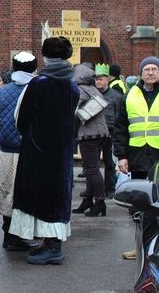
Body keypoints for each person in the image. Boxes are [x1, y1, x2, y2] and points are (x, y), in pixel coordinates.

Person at [9, 36, 79, 265]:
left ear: (45, 57)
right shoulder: (72, 86)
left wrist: (30, 135)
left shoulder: (38, 84)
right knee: (57, 196)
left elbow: (21, 117)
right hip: (63, 151)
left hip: (38, 151)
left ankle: (53, 248)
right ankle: (51, 242)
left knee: (39, 196)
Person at [114, 56, 159, 260]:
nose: (150, 72)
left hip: (157, 157)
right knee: (141, 207)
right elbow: (121, 127)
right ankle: (140, 247)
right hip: (138, 156)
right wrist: (121, 156)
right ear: (141, 73)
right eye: (146, 69)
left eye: (154, 69)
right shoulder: (130, 95)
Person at [0, 51, 37, 251]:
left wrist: (1, 134)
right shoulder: (37, 90)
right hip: (30, 152)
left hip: (7, 150)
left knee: (7, 193)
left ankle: (8, 235)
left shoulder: (3, 91)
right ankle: (19, 236)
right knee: (25, 194)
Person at [71, 63, 110, 217]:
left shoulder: (79, 89)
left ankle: (100, 202)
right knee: (90, 168)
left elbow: (75, 112)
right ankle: (88, 201)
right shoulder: (93, 88)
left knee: (92, 169)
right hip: (101, 133)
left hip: (88, 134)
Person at [94, 64, 122, 198]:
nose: (98, 81)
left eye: (101, 79)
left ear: (108, 80)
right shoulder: (92, 94)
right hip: (95, 133)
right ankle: (93, 189)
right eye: (96, 79)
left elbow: (119, 117)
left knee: (109, 162)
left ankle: (109, 188)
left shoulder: (116, 96)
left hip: (110, 133)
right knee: (93, 164)